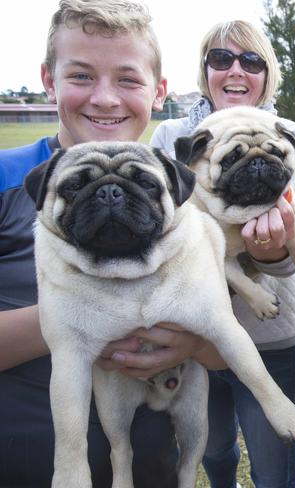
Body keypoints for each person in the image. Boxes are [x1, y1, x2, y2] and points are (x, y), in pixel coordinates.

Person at [0, 1, 229, 486]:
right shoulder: (6, 178)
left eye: (127, 79)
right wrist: (83, 317)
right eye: (81, 75)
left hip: (150, 462)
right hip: (24, 459)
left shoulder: (172, 194)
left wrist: (192, 339)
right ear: (48, 79)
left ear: (158, 91)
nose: (105, 98)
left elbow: (224, 347)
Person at [150, 20, 295, 488]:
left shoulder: (292, 133)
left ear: (269, 72)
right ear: (205, 71)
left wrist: (268, 253)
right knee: (214, 452)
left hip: (277, 338)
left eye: (251, 60)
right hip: (194, 341)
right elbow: (162, 235)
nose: (235, 70)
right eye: (221, 59)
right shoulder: (173, 137)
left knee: (276, 470)